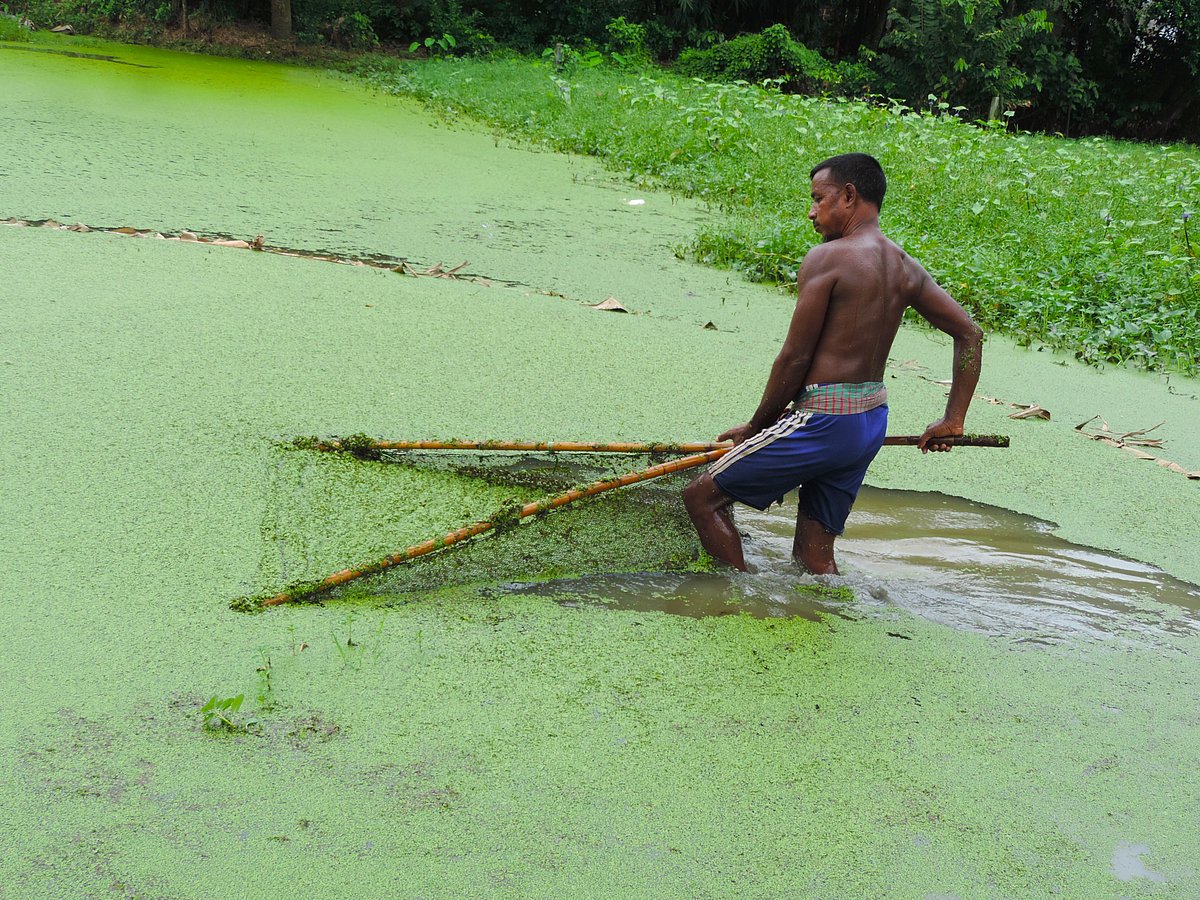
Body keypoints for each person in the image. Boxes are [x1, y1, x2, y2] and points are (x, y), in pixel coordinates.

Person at [683, 152, 983, 574]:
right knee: (815, 554)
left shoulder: (827, 258)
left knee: (701, 497)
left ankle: (735, 599)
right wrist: (953, 419)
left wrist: (757, 426)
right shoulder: (905, 266)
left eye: (817, 199)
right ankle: (822, 610)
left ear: (848, 195)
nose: (811, 212)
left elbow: (795, 356)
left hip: (823, 422)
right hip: (868, 425)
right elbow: (970, 334)